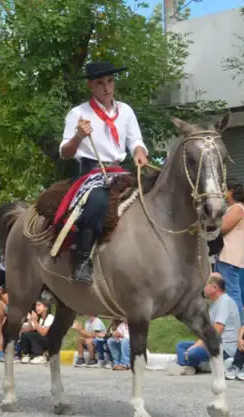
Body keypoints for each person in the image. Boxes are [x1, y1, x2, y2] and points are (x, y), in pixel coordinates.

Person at [58, 61, 149, 283]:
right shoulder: (77, 113)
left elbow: (135, 140)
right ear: (90, 85)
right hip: (92, 172)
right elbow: (64, 153)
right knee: (98, 201)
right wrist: (78, 136)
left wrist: (139, 152)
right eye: (100, 83)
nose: (107, 87)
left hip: (120, 171)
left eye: (110, 81)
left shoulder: (126, 111)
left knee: (151, 195)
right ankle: (82, 260)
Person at [170, 273, 241, 376]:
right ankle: (190, 366)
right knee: (181, 346)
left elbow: (216, 332)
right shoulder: (215, 304)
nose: (203, 288)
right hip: (212, 344)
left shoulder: (225, 302)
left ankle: (188, 364)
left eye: (205, 285)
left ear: (214, 288)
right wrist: (196, 345)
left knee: (193, 353)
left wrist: (195, 347)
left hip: (224, 348)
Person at [214, 182, 244, 318]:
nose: (223, 193)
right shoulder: (232, 208)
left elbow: (222, 227)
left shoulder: (237, 208)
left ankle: (239, 325)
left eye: (225, 190)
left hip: (230, 255)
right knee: (224, 290)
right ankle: (227, 319)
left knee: (232, 291)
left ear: (232, 191)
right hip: (225, 255)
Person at [19, 299, 54, 364]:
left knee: (34, 335)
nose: (36, 307)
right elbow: (30, 330)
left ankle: (40, 355)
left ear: (46, 308)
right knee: (25, 334)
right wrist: (30, 320)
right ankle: (27, 354)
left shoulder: (50, 317)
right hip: (40, 339)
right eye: (36, 306)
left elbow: (43, 333)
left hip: (48, 341)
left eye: (39, 305)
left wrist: (34, 321)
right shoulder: (39, 318)